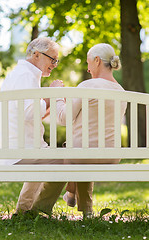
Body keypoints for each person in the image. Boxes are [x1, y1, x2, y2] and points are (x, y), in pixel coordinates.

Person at [31, 43, 127, 217]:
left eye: (88, 62)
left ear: (97, 61)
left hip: (83, 154)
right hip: (111, 155)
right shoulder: (120, 90)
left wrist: (57, 95)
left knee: (71, 155)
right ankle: (86, 210)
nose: (88, 69)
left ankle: (39, 210)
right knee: (84, 152)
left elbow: (62, 118)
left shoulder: (88, 86)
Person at [0, 37, 63, 214]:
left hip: (18, 149)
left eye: (56, 60)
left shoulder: (26, 74)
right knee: (65, 161)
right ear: (36, 54)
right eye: (52, 59)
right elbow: (30, 113)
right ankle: (37, 211)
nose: (54, 64)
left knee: (51, 158)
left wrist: (50, 101)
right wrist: (50, 96)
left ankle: (24, 211)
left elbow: (30, 116)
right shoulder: (25, 76)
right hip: (17, 152)